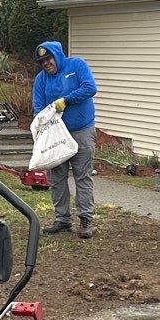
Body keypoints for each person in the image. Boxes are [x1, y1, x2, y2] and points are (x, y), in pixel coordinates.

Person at [31, 40, 99, 238]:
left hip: (82, 131)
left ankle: (86, 219)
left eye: (48, 58)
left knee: (82, 175)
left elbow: (90, 88)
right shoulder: (41, 80)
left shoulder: (77, 65)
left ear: (57, 55)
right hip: (56, 135)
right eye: (42, 61)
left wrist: (66, 100)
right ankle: (62, 219)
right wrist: (42, 126)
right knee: (57, 178)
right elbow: (38, 106)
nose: (46, 63)